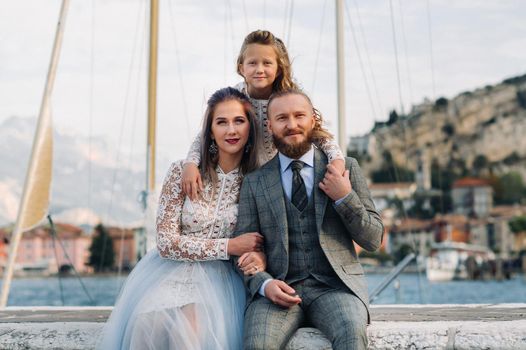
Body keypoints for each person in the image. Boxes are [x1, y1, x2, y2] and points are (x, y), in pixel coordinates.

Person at [97, 87, 266, 350]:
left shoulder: (257, 180)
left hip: (220, 279)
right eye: (221, 122)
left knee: (188, 334)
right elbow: (165, 242)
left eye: (238, 121)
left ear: (250, 128)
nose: (231, 130)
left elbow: (261, 241)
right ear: (209, 131)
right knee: (144, 327)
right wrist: (228, 246)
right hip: (168, 271)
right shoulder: (181, 171)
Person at [233, 89, 384, 350]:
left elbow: (373, 240)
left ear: (313, 120)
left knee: (352, 336)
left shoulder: (345, 168)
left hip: (336, 289)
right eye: (282, 118)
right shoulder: (254, 182)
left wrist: (344, 197)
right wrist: (264, 284)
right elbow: (244, 253)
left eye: (299, 115)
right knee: (257, 345)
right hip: (278, 290)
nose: (292, 125)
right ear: (269, 126)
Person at [181, 30, 346, 200]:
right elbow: (209, 131)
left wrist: (337, 160)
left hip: (282, 174)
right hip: (246, 174)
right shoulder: (236, 96)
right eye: (252, 63)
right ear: (241, 68)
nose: (259, 69)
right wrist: (191, 163)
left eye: (267, 63)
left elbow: (317, 131)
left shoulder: (289, 97)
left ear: (278, 67)